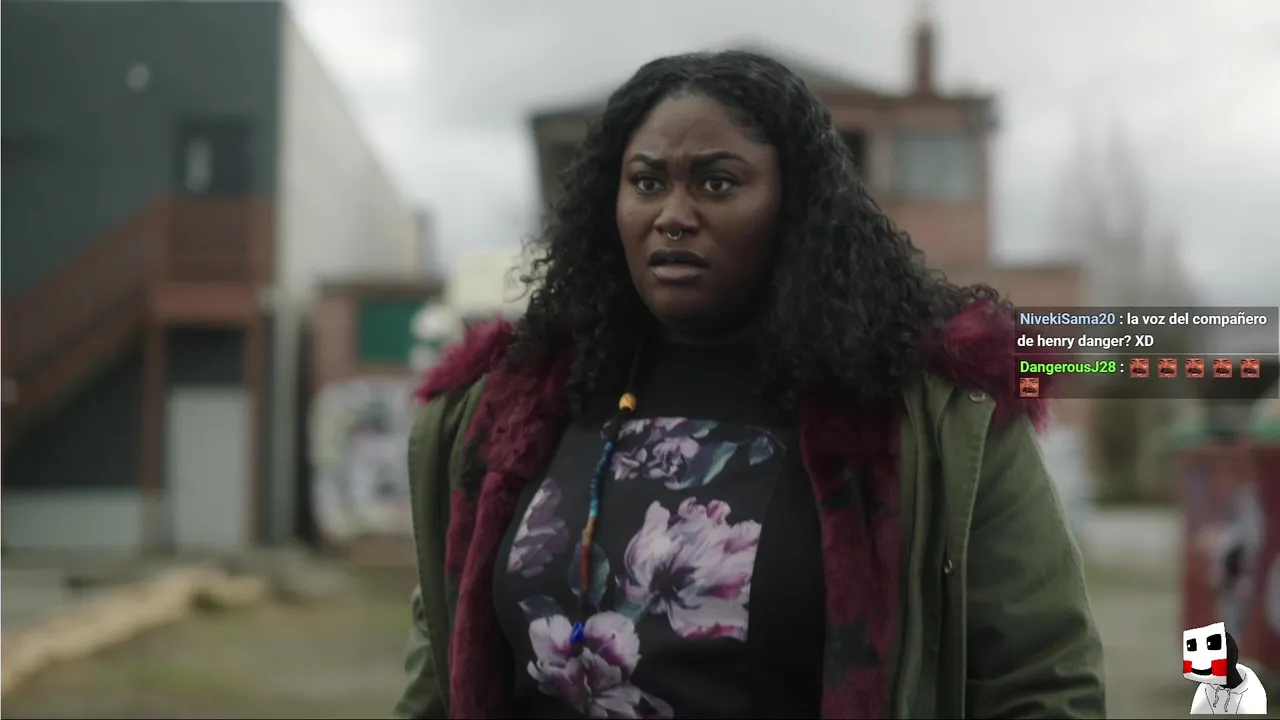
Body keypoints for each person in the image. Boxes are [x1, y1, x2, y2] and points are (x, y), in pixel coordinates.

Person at [394, 50, 1105, 719]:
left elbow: (1040, 683)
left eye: (717, 182)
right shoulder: (509, 413)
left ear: (794, 206)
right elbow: (438, 675)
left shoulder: (929, 418)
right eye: (648, 182)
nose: (674, 215)